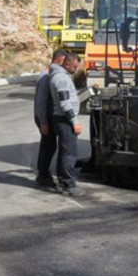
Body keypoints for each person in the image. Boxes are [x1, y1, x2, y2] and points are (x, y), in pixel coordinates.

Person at [50, 50, 84, 197]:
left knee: (65, 152)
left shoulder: (60, 76)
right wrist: (74, 122)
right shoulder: (61, 79)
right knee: (69, 154)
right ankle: (69, 185)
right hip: (64, 120)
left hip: (62, 119)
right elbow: (64, 103)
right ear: (67, 62)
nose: (76, 70)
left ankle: (63, 182)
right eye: (74, 66)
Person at [34, 49, 68, 188]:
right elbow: (41, 102)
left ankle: (43, 174)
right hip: (45, 118)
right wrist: (43, 122)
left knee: (48, 146)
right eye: (64, 62)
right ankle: (43, 175)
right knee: (48, 146)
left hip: (48, 117)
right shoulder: (45, 77)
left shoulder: (50, 75)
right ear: (59, 60)